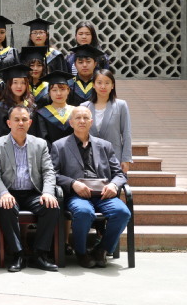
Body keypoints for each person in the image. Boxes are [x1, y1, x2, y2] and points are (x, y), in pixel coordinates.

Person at [51, 106, 130, 268]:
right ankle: (81, 252)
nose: (82, 121)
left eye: (86, 118)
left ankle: (102, 249)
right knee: (84, 212)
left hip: (103, 194)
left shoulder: (105, 145)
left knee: (122, 212)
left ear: (91, 122)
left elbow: (119, 174)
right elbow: (53, 174)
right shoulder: (60, 146)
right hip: (77, 195)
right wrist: (73, 183)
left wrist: (114, 185)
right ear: (71, 122)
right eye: (78, 118)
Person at [0, 105, 60, 272]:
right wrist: (4, 193)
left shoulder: (40, 144)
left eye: (24, 119)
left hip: (33, 192)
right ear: (9, 123)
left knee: (52, 206)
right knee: (5, 207)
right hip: (10, 192)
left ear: (30, 123)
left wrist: (48, 193)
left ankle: (39, 254)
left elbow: (49, 171)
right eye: (16, 120)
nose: (20, 123)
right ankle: (18, 254)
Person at [82, 68, 133, 173]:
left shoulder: (121, 105)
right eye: (99, 83)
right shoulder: (84, 107)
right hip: (89, 159)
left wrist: (126, 159)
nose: (103, 86)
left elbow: (126, 133)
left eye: (107, 83)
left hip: (114, 158)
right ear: (93, 85)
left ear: (112, 85)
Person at [0, 64, 38, 144]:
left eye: (23, 83)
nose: (19, 86)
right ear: (9, 84)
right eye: (15, 82)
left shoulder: (31, 106)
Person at [36, 71, 75, 144]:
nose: (59, 93)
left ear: (68, 90)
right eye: (54, 90)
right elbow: (43, 139)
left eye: (62, 89)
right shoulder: (42, 113)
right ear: (49, 92)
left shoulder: (75, 112)